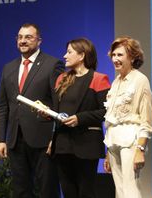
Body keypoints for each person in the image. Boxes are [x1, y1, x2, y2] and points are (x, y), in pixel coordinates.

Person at [0, 23, 64, 198]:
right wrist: (0, 139)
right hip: (15, 139)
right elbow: (3, 106)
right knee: (20, 190)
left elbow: (58, 103)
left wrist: (55, 138)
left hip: (43, 139)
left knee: (47, 189)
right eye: (20, 37)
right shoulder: (8, 67)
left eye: (28, 37)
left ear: (39, 41)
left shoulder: (52, 64)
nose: (23, 41)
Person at [47, 38, 110, 198]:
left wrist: (79, 119)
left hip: (86, 145)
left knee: (85, 192)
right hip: (62, 144)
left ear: (82, 55)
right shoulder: (62, 79)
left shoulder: (99, 79)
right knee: (68, 191)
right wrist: (47, 113)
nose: (65, 56)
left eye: (69, 52)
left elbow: (106, 112)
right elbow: (57, 110)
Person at [102, 37, 152, 198]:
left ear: (132, 57)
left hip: (131, 140)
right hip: (113, 142)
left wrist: (140, 149)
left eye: (120, 55)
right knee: (120, 190)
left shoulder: (140, 80)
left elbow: (146, 118)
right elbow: (112, 118)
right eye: (114, 55)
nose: (115, 59)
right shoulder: (116, 82)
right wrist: (107, 154)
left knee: (131, 190)